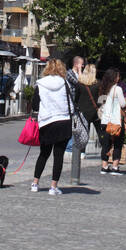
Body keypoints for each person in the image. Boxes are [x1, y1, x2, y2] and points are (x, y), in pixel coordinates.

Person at [30, 58, 75, 195]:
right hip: (63, 120)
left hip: (46, 122)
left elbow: (35, 105)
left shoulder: (40, 84)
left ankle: (35, 183)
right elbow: (70, 103)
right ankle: (53, 186)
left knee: (44, 153)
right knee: (58, 155)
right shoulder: (65, 83)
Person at [97, 68, 126, 174]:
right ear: (114, 78)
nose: (119, 78)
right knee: (117, 143)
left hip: (104, 120)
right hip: (115, 120)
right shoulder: (117, 89)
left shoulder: (103, 88)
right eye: (117, 76)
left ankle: (104, 165)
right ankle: (115, 166)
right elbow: (123, 104)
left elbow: (100, 102)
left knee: (106, 143)